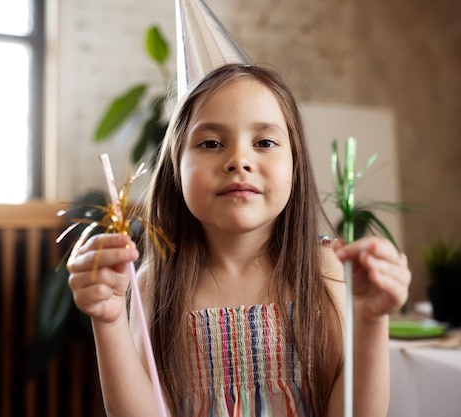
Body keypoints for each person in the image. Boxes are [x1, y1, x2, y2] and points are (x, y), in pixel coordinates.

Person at [68, 63, 411, 417]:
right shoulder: (156, 286)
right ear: (175, 167)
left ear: (296, 163)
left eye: (265, 142)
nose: (238, 160)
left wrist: (370, 321)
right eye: (211, 143)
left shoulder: (327, 272)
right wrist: (107, 322)